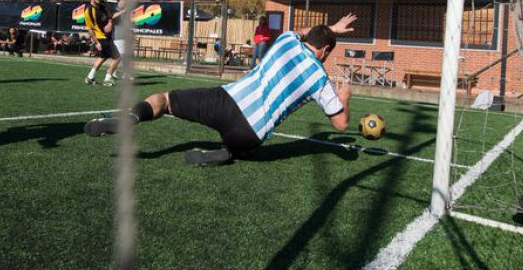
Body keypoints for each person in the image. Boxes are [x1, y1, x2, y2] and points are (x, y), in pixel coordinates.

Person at [84, 14, 357, 166]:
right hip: (250, 134)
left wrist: (330, 28)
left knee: (164, 100)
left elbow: (302, 32)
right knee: (247, 147)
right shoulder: (319, 79)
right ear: (325, 51)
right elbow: (341, 124)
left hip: (225, 102)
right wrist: (343, 99)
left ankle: (130, 119)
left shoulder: (287, 40)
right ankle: (228, 152)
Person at [83, 0, 121, 86]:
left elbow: (110, 17)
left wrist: (110, 24)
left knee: (102, 57)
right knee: (117, 57)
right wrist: (96, 42)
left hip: (107, 36)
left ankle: (90, 77)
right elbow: (90, 29)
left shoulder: (103, 5)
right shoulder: (88, 11)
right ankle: (107, 79)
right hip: (101, 38)